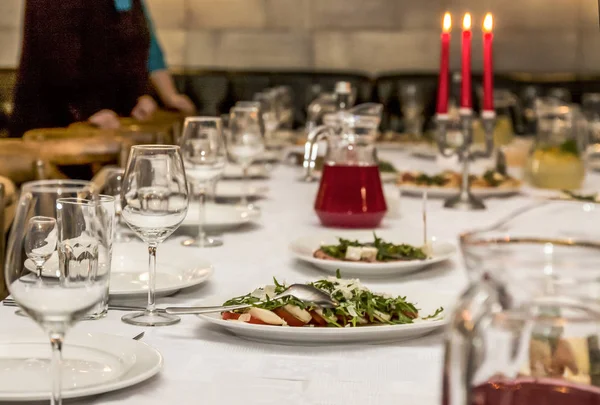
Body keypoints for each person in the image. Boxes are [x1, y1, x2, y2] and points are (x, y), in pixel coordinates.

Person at [9, 0, 195, 137]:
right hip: (53, 128)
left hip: (107, 127)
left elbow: (137, 46)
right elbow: (56, 53)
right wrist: (89, 109)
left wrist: (138, 96)